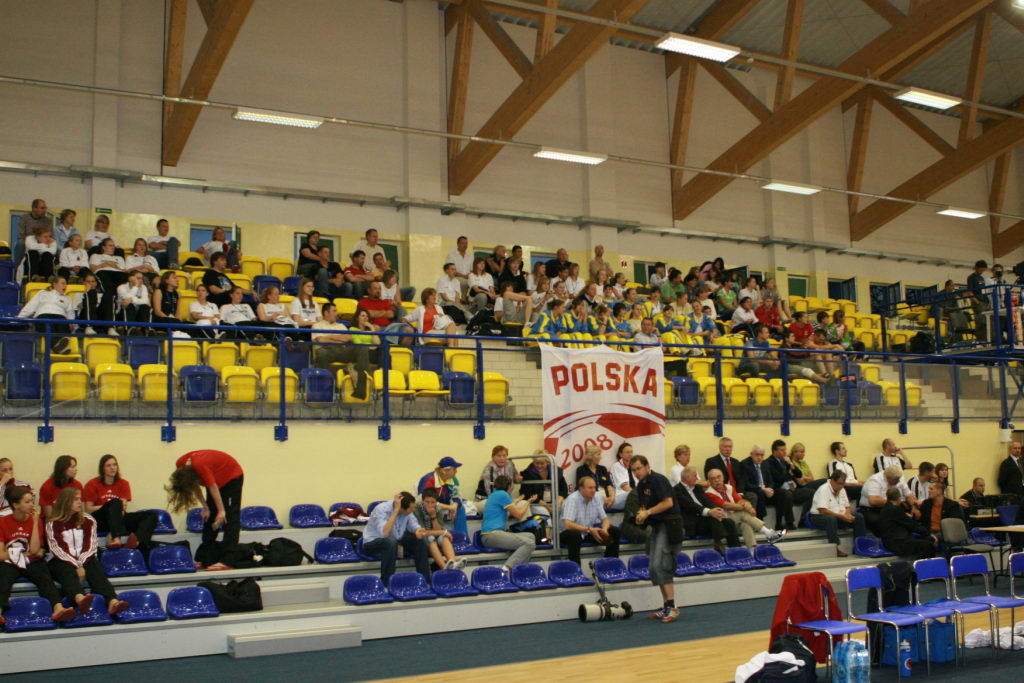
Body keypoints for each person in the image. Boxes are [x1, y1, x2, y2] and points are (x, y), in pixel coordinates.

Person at [46, 487, 131, 617]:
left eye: (80, 499)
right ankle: (80, 598)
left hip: (84, 558)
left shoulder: (89, 520)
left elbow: (90, 545)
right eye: (75, 499)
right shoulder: (53, 523)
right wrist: (76, 565)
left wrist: (80, 564)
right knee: (66, 570)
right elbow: (57, 548)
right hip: (60, 560)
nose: (79, 502)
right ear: (66, 501)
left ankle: (112, 601)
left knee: (95, 568)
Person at [0, 486, 77, 625]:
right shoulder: (3, 522)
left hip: (32, 561)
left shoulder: (36, 520)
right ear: (15, 505)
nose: (32, 505)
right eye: (27, 502)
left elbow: (35, 550)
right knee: (3, 580)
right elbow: (1, 555)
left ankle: (58, 609)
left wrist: (35, 522)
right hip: (10, 562)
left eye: (32, 501)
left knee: (45, 579)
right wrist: (21, 553)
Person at [630, 454, 683, 623]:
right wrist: (641, 515)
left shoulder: (658, 480)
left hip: (670, 525)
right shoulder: (641, 485)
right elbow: (645, 507)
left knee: (663, 565)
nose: (637, 473)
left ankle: (672, 607)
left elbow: (668, 503)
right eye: (633, 470)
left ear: (647, 466)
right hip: (656, 526)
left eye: (639, 468)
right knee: (654, 567)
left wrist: (648, 512)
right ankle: (666, 606)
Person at [166, 449, 244, 550]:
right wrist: (205, 507)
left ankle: (229, 555)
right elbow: (195, 487)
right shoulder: (180, 464)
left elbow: (213, 487)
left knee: (229, 516)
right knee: (210, 514)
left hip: (231, 476)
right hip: (214, 476)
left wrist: (221, 511)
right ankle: (206, 553)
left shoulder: (200, 466)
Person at [83, 454, 158, 551]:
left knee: (151, 515)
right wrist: (108, 506)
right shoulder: (92, 484)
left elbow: (123, 509)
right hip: (100, 520)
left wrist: (113, 525)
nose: (112, 468)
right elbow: (88, 509)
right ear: (102, 468)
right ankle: (116, 538)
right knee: (115, 503)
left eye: (114, 465)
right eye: (108, 465)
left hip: (119, 519)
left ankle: (137, 542)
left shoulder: (123, 483)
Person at [704, 468, 785, 549]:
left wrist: (749, 506)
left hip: (734, 520)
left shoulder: (729, 487)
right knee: (742, 513)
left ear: (723, 477)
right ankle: (768, 533)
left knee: (745, 525)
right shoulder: (708, 493)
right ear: (709, 481)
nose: (717, 480)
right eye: (713, 478)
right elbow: (726, 505)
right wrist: (745, 508)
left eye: (718, 477)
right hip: (723, 521)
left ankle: (752, 551)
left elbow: (741, 500)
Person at [362, 492, 431, 586]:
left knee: (419, 540)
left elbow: (413, 524)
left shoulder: (407, 511)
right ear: (402, 508)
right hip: (372, 544)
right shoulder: (381, 509)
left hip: (395, 541)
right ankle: (386, 584)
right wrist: (395, 512)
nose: (413, 510)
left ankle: (425, 582)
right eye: (411, 508)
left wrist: (418, 530)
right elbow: (385, 533)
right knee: (390, 541)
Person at [311, 302, 371, 400]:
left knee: (362, 347)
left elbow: (348, 338)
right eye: (334, 311)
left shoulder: (341, 326)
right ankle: (325, 390)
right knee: (322, 353)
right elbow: (321, 340)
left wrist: (329, 336)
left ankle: (362, 386)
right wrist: (338, 338)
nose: (337, 313)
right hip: (327, 350)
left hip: (343, 350)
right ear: (326, 313)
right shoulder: (317, 326)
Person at [675, 466, 740, 555]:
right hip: (693, 524)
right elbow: (691, 506)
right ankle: (718, 542)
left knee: (729, 522)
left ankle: (736, 551)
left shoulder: (698, 488)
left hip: (707, 521)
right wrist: (710, 512)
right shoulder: (677, 490)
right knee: (712, 518)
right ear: (687, 477)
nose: (697, 478)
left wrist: (717, 510)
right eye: (695, 476)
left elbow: (708, 501)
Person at [480, 475, 536, 573]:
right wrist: (528, 503)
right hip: (492, 535)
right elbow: (519, 515)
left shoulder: (495, 494)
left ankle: (519, 568)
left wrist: (519, 499)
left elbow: (511, 505)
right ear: (509, 486)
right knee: (529, 544)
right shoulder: (503, 495)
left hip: (491, 535)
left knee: (531, 536)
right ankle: (506, 569)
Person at [560, 476, 620, 566]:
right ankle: (576, 569)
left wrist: (604, 529)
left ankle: (610, 565)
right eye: (590, 488)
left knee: (615, 531)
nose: (593, 490)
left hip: (587, 532)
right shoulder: (572, 499)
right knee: (574, 535)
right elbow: (567, 525)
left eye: (594, 488)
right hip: (568, 534)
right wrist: (589, 529)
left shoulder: (596, 497)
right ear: (581, 488)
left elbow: (605, 519)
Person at [810, 472, 867, 557]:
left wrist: (847, 514)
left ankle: (860, 545)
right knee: (830, 519)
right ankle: (835, 548)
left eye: (843, 484)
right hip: (819, 517)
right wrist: (841, 516)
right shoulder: (823, 489)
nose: (841, 486)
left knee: (858, 517)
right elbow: (823, 510)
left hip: (839, 516)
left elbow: (847, 506)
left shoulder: (842, 489)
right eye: (839, 483)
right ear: (832, 481)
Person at [741, 444, 794, 530]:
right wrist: (762, 489)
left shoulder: (765, 463)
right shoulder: (745, 464)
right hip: (755, 490)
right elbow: (746, 484)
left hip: (766, 491)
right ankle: (760, 521)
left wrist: (770, 489)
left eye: (762, 455)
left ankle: (779, 522)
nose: (759, 457)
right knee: (760, 492)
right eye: (757, 455)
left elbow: (771, 481)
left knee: (783, 493)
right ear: (751, 454)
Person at [412, 488, 466, 571]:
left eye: (433, 502)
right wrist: (443, 531)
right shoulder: (417, 509)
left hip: (433, 534)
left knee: (444, 538)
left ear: (436, 502)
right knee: (430, 539)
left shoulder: (438, 509)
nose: (430, 505)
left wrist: (433, 517)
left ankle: (454, 564)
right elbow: (422, 532)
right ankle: (444, 567)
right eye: (427, 502)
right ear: (422, 501)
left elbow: (438, 530)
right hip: (421, 538)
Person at [17, 276, 75, 353]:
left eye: (66, 284)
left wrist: (71, 322)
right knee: (48, 327)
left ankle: (57, 347)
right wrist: (19, 318)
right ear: (54, 284)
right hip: (44, 315)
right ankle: (60, 347)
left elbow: (70, 312)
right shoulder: (42, 293)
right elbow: (30, 306)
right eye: (63, 283)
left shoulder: (67, 298)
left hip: (60, 317)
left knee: (63, 326)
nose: (65, 285)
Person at [879, 488, 937, 560]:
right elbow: (912, 525)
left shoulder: (885, 508)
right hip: (897, 543)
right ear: (899, 498)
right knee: (928, 545)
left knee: (928, 539)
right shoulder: (895, 509)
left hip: (890, 541)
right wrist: (928, 533)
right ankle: (918, 565)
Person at [704, 437, 756, 511]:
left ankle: (750, 515)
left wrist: (740, 493)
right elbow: (711, 480)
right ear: (720, 447)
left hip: (737, 491)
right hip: (722, 492)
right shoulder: (711, 461)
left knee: (752, 496)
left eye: (730, 447)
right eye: (725, 447)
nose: (728, 449)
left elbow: (741, 479)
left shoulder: (736, 462)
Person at [860, 465, 915, 535]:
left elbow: (909, 495)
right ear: (889, 478)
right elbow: (873, 501)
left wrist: (914, 507)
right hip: (871, 510)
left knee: (909, 516)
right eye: (897, 479)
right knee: (884, 522)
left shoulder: (897, 478)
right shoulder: (875, 480)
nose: (898, 481)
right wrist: (893, 502)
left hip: (889, 507)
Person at [417, 457, 464, 524]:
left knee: (461, 509)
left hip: (445, 506)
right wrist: (448, 507)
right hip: (430, 506)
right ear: (446, 471)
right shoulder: (429, 479)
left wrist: (454, 506)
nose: (456, 471)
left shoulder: (453, 479)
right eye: (454, 469)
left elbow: (457, 495)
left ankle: (460, 531)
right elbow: (422, 501)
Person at [519, 454, 567, 519]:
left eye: (542, 463)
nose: (539, 466)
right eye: (537, 463)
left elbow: (564, 489)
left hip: (554, 501)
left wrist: (558, 501)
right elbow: (525, 494)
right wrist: (545, 505)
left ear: (547, 463)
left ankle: (563, 526)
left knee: (565, 507)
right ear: (533, 462)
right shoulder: (528, 474)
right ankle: (548, 525)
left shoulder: (556, 472)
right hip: (537, 503)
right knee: (544, 513)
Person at [918, 481, 965, 546]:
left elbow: (952, 526)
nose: (928, 491)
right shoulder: (926, 503)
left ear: (939, 491)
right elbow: (922, 521)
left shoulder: (951, 505)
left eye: (931, 489)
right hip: (929, 532)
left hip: (945, 533)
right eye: (929, 489)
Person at [15, 199, 53, 268]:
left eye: (45, 208)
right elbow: (21, 235)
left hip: (42, 242)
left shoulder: (48, 221)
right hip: (27, 242)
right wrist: (31, 241)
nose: (45, 210)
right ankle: (17, 269)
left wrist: (40, 241)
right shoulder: (24, 218)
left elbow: (49, 236)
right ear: (34, 208)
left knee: (52, 244)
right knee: (20, 243)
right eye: (42, 208)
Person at [966, 259, 990, 342]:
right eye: (981, 269)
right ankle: (980, 340)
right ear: (976, 268)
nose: (982, 271)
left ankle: (986, 339)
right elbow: (969, 291)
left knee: (986, 322)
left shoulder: (982, 278)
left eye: (983, 270)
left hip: (985, 302)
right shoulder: (971, 277)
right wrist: (976, 302)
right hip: (978, 302)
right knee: (980, 322)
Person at [609, 442, 635, 511]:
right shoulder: (616, 466)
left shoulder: (634, 466)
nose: (630, 454)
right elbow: (624, 486)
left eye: (631, 452)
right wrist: (636, 494)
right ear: (620, 454)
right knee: (632, 495)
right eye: (627, 452)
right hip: (622, 495)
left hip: (633, 495)